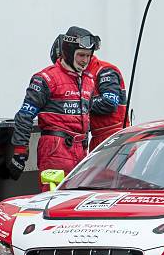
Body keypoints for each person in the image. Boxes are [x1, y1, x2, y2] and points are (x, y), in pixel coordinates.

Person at [8, 27, 98, 189]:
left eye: (88, 56)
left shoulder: (89, 80)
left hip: (81, 149)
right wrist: (20, 152)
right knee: (54, 202)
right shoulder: (46, 79)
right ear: (69, 52)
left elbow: (89, 115)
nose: (85, 60)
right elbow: (24, 115)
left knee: (78, 201)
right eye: (81, 55)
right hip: (55, 150)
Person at [50, 37, 127, 150]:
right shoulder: (80, 76)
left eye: (63, 62)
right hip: (96, 138)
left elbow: (109, 102)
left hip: (116, 137)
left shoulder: (104, 70)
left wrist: (79, 102)